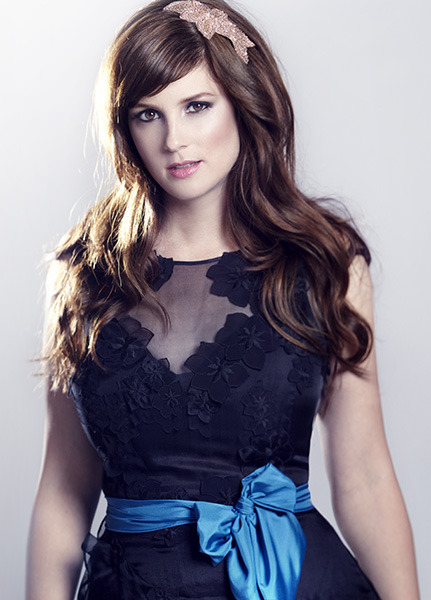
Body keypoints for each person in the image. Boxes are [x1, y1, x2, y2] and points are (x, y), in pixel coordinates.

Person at [26, 0, 420, 598]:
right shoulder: (82, 274)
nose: (174, 140)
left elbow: (365, 477)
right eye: (148, 114)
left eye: (197, 106)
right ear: (125, 128)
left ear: (243, 100)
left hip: (296, 584)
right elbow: (62, 488)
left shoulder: (326, 262)